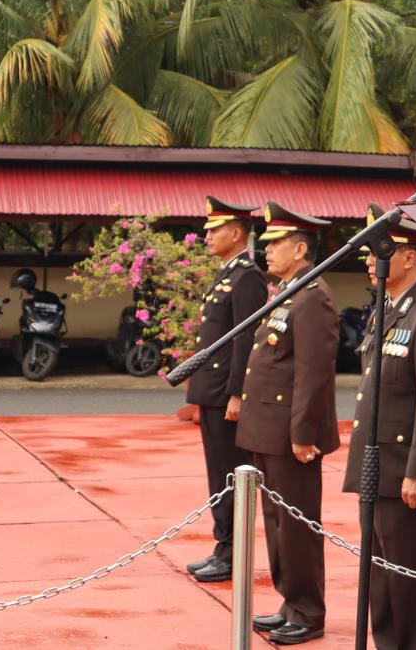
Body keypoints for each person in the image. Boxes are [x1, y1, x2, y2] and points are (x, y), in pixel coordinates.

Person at [343, 204, 416, 650]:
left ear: (409, 256)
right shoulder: (386, 312)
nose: (371, 261)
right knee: (382, 583)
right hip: (377, 470)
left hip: (407, 474)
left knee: (412, 584)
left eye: (377, 253)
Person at [238, 201, 340, 646]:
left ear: (300, 248)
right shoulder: (286, 290)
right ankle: (289, 603)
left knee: (296, 526)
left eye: (275, 243)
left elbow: (313, 372)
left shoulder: (312, 295)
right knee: (277, 523)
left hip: (289, 434)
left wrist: (303, 433)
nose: (266, 251)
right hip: (268, 429)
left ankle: (308, 611)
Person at [182, 196, 269, 583]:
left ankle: (233, 552)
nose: (208, 237)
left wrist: (237, 392)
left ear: (236, 233)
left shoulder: (247, 276)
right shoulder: (227, 272)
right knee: (218, 475)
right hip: (212, 388)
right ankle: (223, 546)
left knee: (230, 474)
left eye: (214, 230)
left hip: (225, 392)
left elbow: (245, 337)